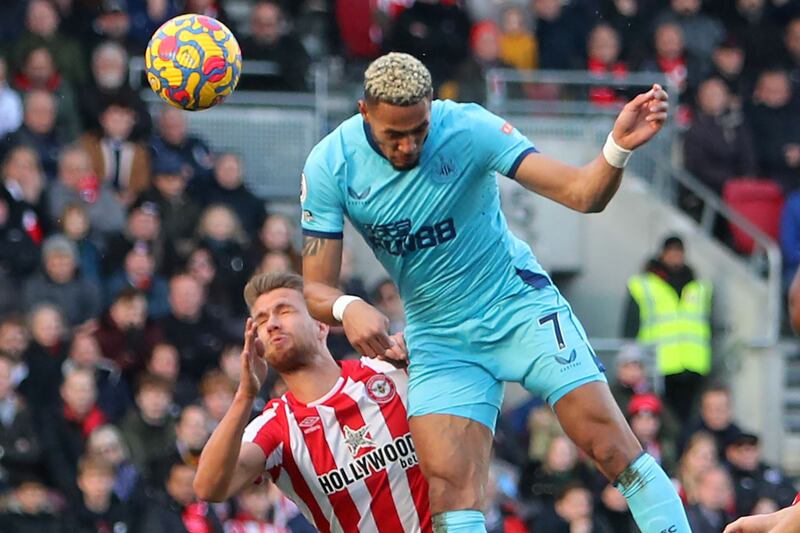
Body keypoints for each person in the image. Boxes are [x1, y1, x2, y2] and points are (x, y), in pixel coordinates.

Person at [299, 52, 687, 532]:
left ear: (432, 108)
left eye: (418, 131)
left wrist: (616, 149)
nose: (407, 146)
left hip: (517, 306)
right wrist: (347, 305)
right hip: (438, 337)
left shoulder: (468, 128)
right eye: (392, 135)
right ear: (364, 113)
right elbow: (315, 285)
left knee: (611, 447)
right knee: (451, 495)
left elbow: (583, 194)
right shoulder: (330, 165)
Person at [194, 271, 433, 532]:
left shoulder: (391, 369)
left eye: (284, 311)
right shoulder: (276, 428)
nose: (272, 323)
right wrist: (245, 395)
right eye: (261, 320)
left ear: (321, 325)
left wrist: (422, 362)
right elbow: (208, 486)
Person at [624, 235, 713, 421]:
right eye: (672, 252)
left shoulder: (698, 286)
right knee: (662, 417)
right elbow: (630, 325)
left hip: (693, 362)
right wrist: (631, 359)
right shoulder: (644, 284)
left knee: (687, 415)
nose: (675, 257)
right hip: (658, 362)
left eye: (679, 252)